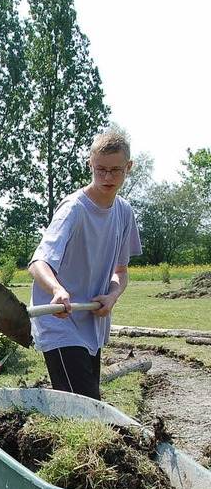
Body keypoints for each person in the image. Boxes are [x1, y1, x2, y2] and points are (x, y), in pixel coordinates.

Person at [27, 131, 142, 400]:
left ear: (129, 167)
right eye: (100, 169)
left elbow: (121, 273)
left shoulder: (124, 213)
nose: (107, 178)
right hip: (60, 324)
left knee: (85, 409)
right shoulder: (74, 209)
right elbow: (38, 262)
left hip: (92, 325)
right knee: (86, 410)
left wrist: (112, 296)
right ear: (90, 165)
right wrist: (57, 290)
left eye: (116, 170)